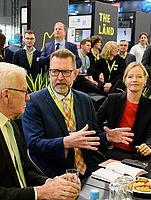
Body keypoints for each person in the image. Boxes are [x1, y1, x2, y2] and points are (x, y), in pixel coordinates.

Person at [0, 62, 80, 200]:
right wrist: (40, 192)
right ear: (6, 95)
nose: (28, 97)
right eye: (24, 91)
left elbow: (20, 173)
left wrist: (50, 183)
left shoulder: (10, 122)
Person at [22, 48, 134, 178]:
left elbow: (92, 136)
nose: (60, 77)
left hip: (88, 171)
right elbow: (34, 146)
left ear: (75, 74)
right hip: (56, 175)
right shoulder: (33, 102)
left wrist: (107, 138)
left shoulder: (85, 100)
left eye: (66, 72)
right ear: (49, 73)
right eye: (55, 72)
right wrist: (65, 142)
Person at [97, 62, 151, 160]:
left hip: (136, 154)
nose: (134, 80)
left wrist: (149, 146)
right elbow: (95, 122)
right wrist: (106, 136)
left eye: (139, 77)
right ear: (125, 80)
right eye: (130, 77)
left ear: (145, 80)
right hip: (110, 150)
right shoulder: (112, 99)